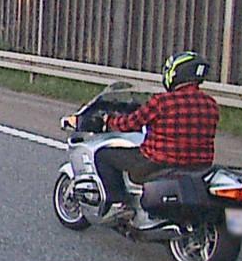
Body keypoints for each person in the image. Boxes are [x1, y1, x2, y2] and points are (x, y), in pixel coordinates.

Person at [85, 51, 220, 219]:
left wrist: (109, 120)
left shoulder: (163, 102)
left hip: (158, 162)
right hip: (200, 165)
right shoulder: (211, 104)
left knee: (103, 156)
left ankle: (118, 203)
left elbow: (130, 123)